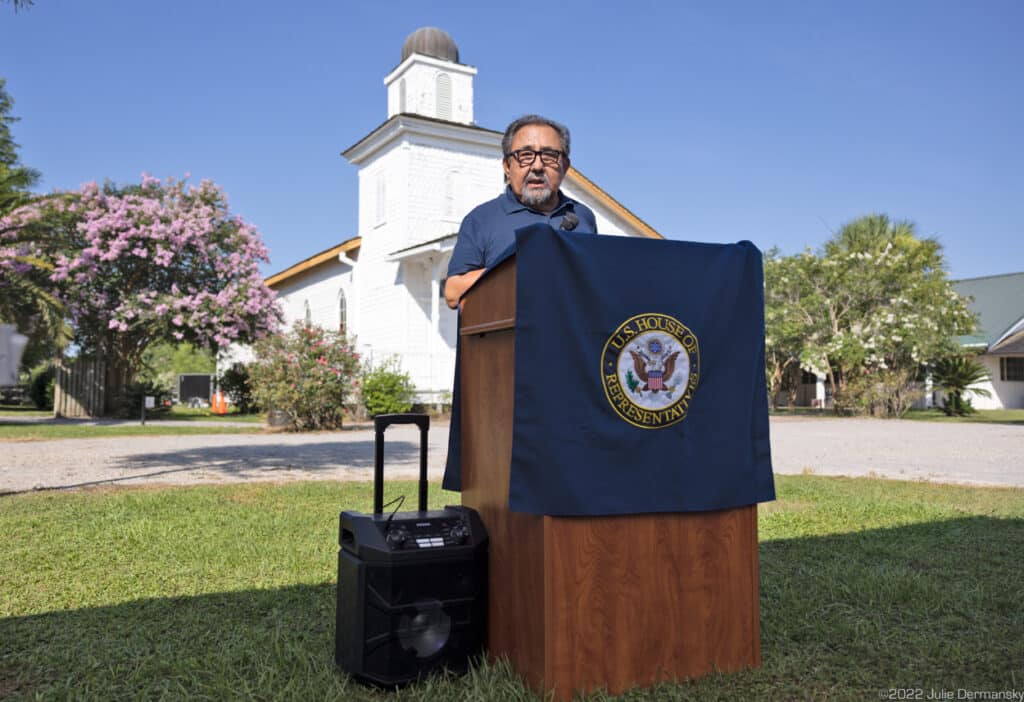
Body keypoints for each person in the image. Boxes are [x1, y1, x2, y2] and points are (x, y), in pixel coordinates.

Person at [443, 115, 598, 309]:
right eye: (525, 156)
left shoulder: (583, 217)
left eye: (549, 156)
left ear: (565, 166)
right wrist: (521, 269)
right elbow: (453, 292)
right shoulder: (482, 219)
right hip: (506, 337)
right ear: (507, 166)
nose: (537, 166)